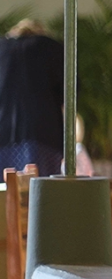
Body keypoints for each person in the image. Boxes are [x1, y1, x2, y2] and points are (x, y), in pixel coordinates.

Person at [0, 19, 64, 175]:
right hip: (44, 132)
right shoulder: (51, 48)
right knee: (42, 189)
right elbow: (68, 90)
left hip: (4, 133)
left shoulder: (2, 49)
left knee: (6, 191)